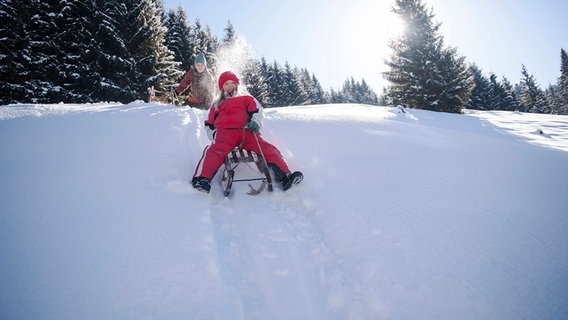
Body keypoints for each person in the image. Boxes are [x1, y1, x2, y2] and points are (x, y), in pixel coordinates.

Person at [191, 71, 303, 194]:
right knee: (214, 151)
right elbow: (209, 123)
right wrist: (213, 134)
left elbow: (256, 112)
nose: (230, 86)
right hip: (225, 133)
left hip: (246, 132)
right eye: (226, 84)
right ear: (221, 87)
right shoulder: (217, 104)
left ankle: (285, 177)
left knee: (268, 149)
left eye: (233, 83)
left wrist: (255, 122)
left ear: (237, 85)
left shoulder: (246, 99)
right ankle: (202, 179)